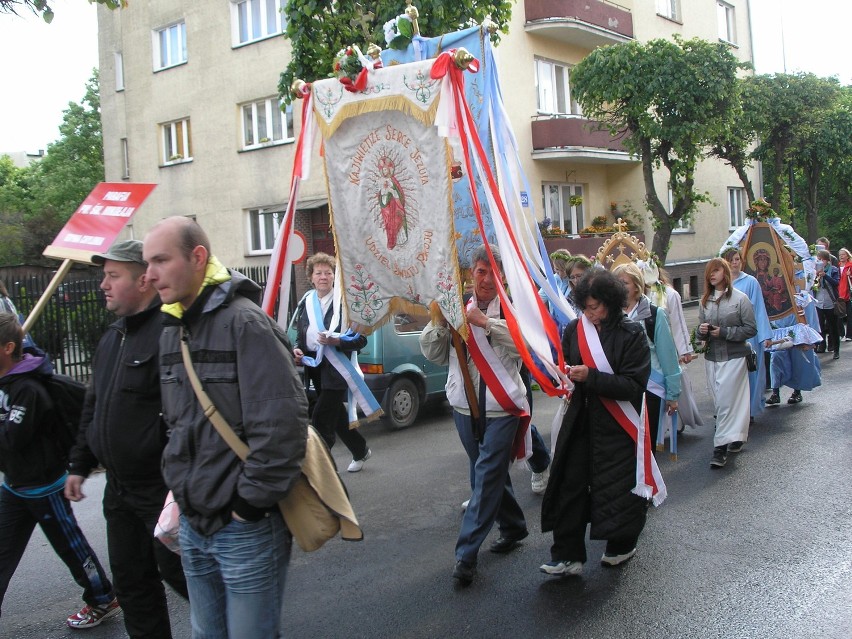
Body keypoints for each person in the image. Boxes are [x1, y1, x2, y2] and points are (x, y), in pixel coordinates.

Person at [142, 217, 308, 638]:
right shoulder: (172, 330)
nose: (150, 274)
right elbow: (178, 426)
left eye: (161, 260)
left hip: (246, 527)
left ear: (198, 258)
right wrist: (181, 491)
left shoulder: (246, 324)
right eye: (147, 263)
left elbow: (283, 427)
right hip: (194, 523)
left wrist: (248, 505)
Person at [64, 240, 187, 638]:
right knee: (133, 586)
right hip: (119, 491)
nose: (103, 284)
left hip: (161, 490)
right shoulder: (112, 336)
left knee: (191, 580)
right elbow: (93, 406)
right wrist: (79, 464)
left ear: (144, 281)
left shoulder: (171, 332)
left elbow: (188, 414)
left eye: (113, 276)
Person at [0, 313, 120, 629]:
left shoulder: (28, 389)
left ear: (8, 347)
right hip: (13, 485)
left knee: (71, 547)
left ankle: (101, 597)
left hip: (44, 487)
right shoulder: (4, 383)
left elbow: (12, 439)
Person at [420, 244, 529, 586]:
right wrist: (438, 324)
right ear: (471, 274)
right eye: (480, 272)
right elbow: (436, 356)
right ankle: (513, 527)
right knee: (488, 474)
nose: (485, 280)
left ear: (501, 278)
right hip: (464, 407)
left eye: (492, 273)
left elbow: (524, 347)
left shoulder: (512, 309)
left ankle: (466, 555)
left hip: (502, 407)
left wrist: (485, 323)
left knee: (483, 477)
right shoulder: (455, 308)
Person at [541, 269, 660, 577]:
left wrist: (591, 377)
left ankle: (621, 544)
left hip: (619, 425)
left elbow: (634, 385)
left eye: (596, 307)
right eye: (586, 307)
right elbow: (568, 367)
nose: (590, 313)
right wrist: (564, 376)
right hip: (581, 419)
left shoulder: (632, 334)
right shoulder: (573, 330)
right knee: (571, 484)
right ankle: (567, 554)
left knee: (618, 488)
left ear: (611, 301)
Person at [293, 253, 372, 472]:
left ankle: (320, 471)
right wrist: (298, 348)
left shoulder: (345, 303)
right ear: (311, 277)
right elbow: (301, 333)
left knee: (320, 419)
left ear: (334, 276)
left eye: (328, 272)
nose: (323, 277)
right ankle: (360, 449)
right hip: (314, 368)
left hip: (337, 371)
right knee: (336, 416)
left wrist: (336, 340)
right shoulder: (306, 301)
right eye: (318, 273)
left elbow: (361, 339)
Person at [613, 262, 680, 449]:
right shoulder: (610, 316)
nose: (620, 287)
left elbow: (668, 355)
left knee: (646, 447)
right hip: (621, 388)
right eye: (616, 283)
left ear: (636, 285)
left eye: (624, 283)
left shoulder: (654, 315)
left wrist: (673, 394)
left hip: (651, 388)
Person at [697, 258, 757, 467]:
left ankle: (719, 448)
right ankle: (737, 436)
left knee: (726, 402)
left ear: (725, 273)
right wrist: (701, 332)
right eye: (709, 272)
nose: (712, 275)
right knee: (720, 402)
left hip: (734, 357)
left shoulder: (740, 299)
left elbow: (750, 329)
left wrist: (724, 332)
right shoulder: (705, 300)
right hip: (712, 358)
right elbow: (699, 331)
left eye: (716, 270)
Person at [645, 267, 704, 430]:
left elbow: (678, 323)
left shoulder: (669, 294)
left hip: (667, 345)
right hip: (649, 351)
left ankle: (677, 422)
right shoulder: (638, 296)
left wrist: (684, 350)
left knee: (673, 383)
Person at [722, 248, 773, 419]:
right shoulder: (721, 283)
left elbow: (759, 308)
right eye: (731, 260)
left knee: (751, 373)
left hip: (749, 335)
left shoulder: (750, 282)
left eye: (737, 259)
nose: (734, 263)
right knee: (732, 376)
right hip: (729, 335)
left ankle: (749, 411)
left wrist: (764, 335)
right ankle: (733, 411)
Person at [813, 249, 841, 360]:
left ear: (826, 260)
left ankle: (836, 349)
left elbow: (836, 282)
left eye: (821, 260)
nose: (819, 262)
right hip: (819, 302)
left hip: (830, 302)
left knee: (833, 326)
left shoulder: (833, 269)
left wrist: (825, 276)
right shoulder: (815, 270)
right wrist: (815, 277)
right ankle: (821, 346)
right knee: (819, 326)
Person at [838, 247, 852, 340]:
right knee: (838, 314)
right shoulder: (837, 265)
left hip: (848, 293)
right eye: (840, 255)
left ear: (847, 256)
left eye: (843, 254)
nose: (841, 256)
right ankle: (841, 334)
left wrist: (850, 275)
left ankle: (849, 335)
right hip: (838, 293)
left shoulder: (850, 265)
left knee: (850, 315)